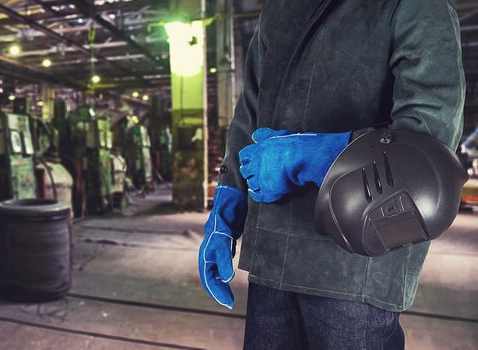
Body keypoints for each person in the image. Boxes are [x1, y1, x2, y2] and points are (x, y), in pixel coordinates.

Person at [198, 0, 465, 349]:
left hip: (355, 267)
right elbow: (249, 115)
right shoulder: (279, 11)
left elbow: (429, 142)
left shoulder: (413, 5)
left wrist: (310, 156)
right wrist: (224, 217)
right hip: (272, 256)